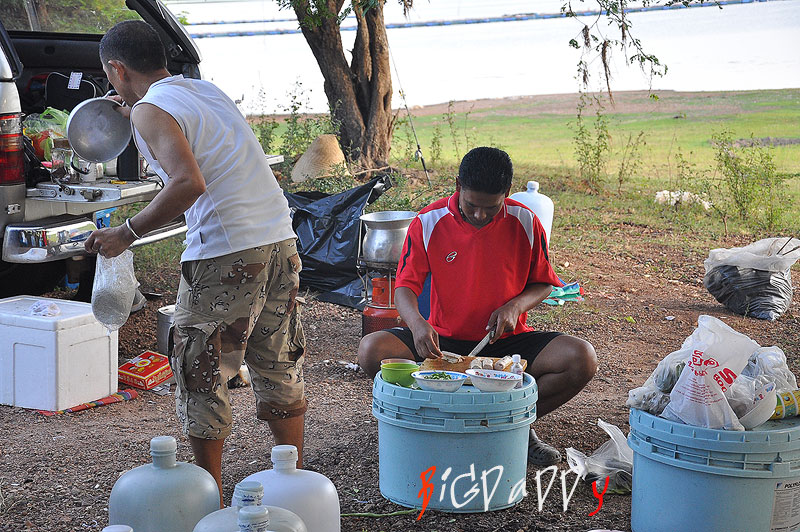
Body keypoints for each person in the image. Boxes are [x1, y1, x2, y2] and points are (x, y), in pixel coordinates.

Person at [84, 20, 306, 504]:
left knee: (199, 370)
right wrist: (137, 109)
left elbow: (188, 184)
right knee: (276, 362)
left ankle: (212, 499)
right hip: (279, 240)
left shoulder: (150, 110)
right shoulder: (205, 91)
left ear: (116, 69)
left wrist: (125, 233)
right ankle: (295, 485)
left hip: (226, 251)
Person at [358, 146, 597, 466]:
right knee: (371, 350)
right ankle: (436, 422)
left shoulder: (526, 222)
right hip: (442, 345)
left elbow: (542, 283)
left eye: (491, 207)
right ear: (457, 185)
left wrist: (515, 307)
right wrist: (417, 324)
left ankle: (514, 426)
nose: (480, 215)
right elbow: (404, 287)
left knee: (581, 358)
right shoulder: (429, 221)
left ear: (507, 193)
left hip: (507, 343)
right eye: (471, 205)